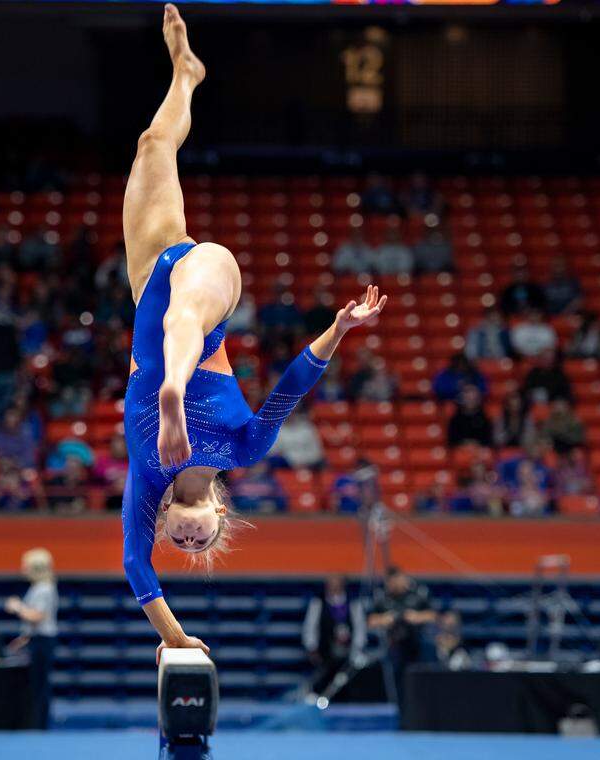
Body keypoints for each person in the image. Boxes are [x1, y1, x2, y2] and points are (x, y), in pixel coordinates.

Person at [118, 5, 388, 663]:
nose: (185, 543)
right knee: (185, 319)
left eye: (176, 545)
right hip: (205, 295)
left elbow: (136, 569)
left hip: (147, 281)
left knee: (153, 148)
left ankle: (186, 74)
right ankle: (174, 389)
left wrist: (176, 639)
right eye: (200, 543)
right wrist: (338, 328)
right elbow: (293, 384)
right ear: (217, 517)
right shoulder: (244, 448)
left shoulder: (146, 481)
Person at [368, 567, 436, 728]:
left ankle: (423, 715)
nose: (393, 585)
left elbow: (432, 615)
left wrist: (415, 617)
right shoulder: (383, 599)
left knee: (420, 679)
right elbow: (371, 620)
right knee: (400, 683)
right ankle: (403, 716)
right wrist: (385, 619)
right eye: (390, 582)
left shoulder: (417, 595)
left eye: (396, 580)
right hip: (396, 646)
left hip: (417, 644)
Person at [5, 548, 59, 730]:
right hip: (37, 638)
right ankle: (36, 721)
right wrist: (24, 638)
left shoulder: (44, 588)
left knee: (40, 683)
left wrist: (17, 607)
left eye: (26, 566)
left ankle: (40, 723)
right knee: (36, 683)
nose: (23, 569)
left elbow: (37, 616)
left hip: (43, 640)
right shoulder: (38, 588)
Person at [302, 575, 367, 697]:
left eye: (337, 582)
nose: (334, 586)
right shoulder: (318, 602)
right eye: (331, 583)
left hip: (348, 654)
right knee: (324, 685)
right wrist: (312, 647)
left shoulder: (353, 603)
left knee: (347, 684)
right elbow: (310, 626)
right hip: (325, 652)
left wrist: (358, 649)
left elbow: (360, 627)